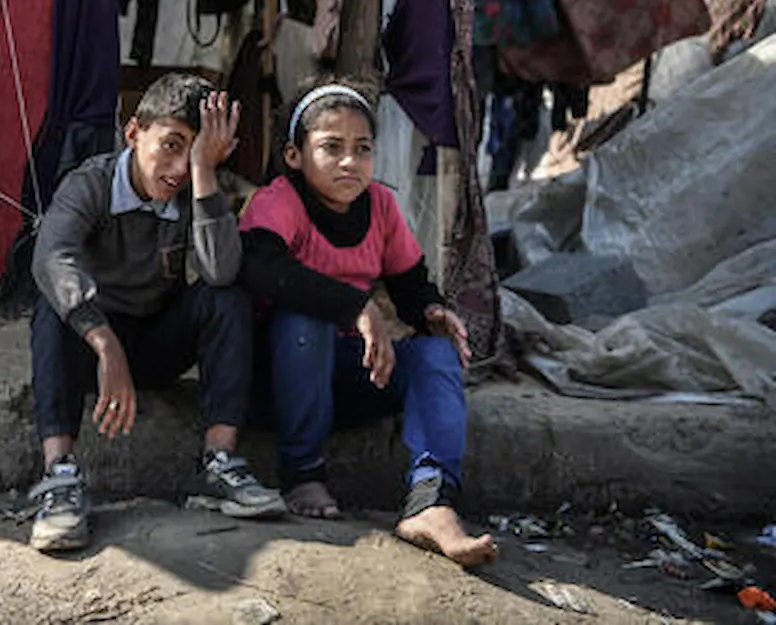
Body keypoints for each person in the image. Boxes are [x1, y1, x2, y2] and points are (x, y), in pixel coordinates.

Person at [238, 82, 497, 566]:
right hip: (274, 384)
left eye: (362, 149)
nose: (349, 162)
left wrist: (429, 310)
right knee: (304, 321)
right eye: (331, 148)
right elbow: (261, 270)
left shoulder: (380, 205)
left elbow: (409, 282)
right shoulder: (277, 203)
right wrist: (356, 306)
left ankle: (430, 500)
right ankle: (302, 472)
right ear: (295, 156)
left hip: (349, 380)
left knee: (434, 352)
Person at [28, 73, 286, 553]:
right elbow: (52, 257)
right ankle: (59, 477)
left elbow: (222, 269)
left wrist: (207, 175)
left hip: (155, 344)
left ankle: (220, 463)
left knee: (226, 298)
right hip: (93, 349)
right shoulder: (91, 183)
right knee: (50, 305)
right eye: (170, 145)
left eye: (195, 151)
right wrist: (104, 344)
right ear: (133, 133)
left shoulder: (195, 190)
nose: (178, 167)